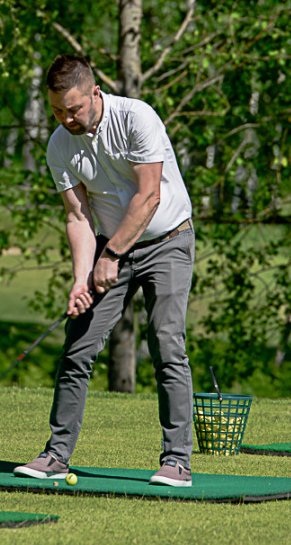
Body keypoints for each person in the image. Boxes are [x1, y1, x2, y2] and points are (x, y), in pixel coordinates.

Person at [14, 54, 196, 486]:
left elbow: (149, 196)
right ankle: (56, 456)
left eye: (73, 108)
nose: (66, 118)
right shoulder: (59, 144)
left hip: (168, 240)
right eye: (57, 110)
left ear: (95, 93)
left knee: (166, 343)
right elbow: (78, 217)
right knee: (77, 346)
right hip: (109, 247)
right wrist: (82, 278)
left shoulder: (137, 118)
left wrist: (110, 256)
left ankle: (177, 462)